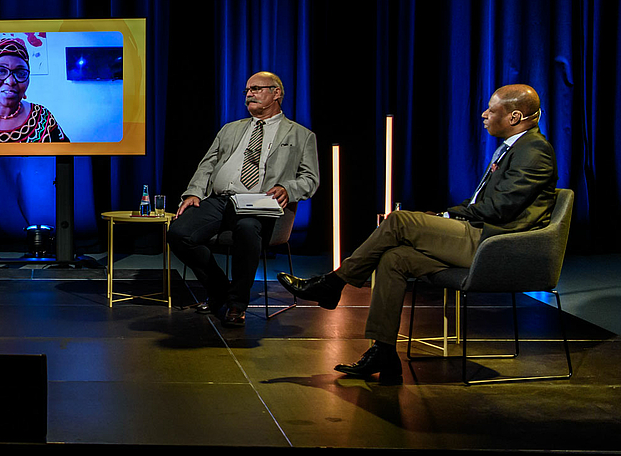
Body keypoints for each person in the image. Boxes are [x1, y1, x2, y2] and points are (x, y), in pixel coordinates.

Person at [279, 84, 556, 384]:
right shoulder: (514, 147)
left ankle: (333, 283)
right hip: (479, 235)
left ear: (515, 116)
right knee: (395, 258)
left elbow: (499, 209)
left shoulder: (534, 150)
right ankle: (383, 351)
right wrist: (444, 216)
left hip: (494, 246)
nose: (483, 114)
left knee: (399, 221)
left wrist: (450, 216)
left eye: (492, 109)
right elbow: (482, 202)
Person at [169, 71, 320, 326]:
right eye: (247, 90)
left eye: (257, 89)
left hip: (260, 204)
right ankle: (220, 290)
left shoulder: (301, 135)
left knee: (247, 229)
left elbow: (310, 178)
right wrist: (194, 192)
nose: (249, 94)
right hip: (222, 199)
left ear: (277, 93)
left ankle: (237, 303)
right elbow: (207, 165)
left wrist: (288, 188)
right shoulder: (230, 129)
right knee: (179, 232)